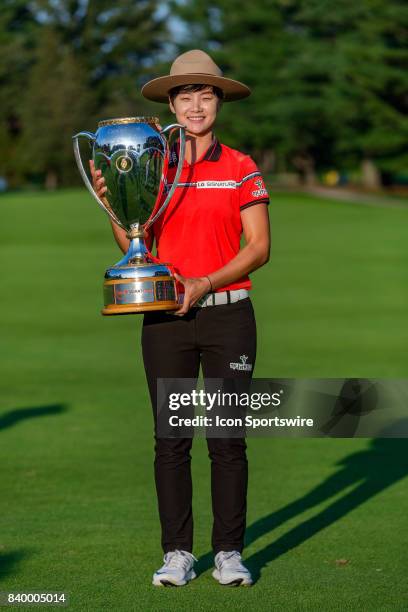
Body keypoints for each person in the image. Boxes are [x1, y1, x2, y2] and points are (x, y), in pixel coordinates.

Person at [90, 49, 270, 587]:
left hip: (228, 315)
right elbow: (134, 239)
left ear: (219, 102)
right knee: (171, 438)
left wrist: (205, 282)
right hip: (165, 319)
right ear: (170, 103)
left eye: (206, 94)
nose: (196, 105)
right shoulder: (152, 165)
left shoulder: (241, 167)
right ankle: (176, 553)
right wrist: (115, 208)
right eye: (185, 95)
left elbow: (258, 247)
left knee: (226, 439)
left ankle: (229, 553)